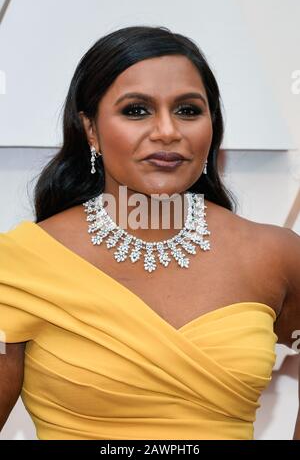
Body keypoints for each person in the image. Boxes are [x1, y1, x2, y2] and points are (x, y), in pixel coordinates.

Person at [0, 25, 299, 440]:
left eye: (188, 110)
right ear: (90, 130)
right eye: (136, 110)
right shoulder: (19, 264)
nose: (167, 131)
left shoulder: (276, 256)